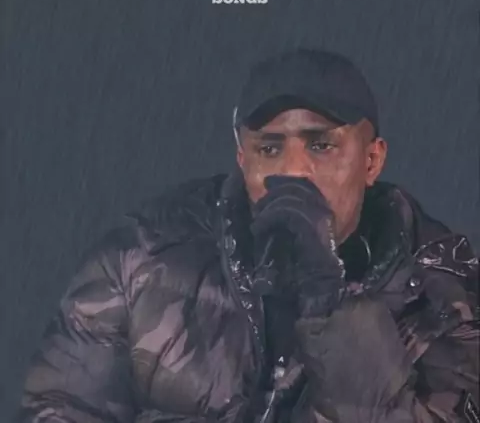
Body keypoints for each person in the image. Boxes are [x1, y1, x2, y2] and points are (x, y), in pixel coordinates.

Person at [15, 48, 479, 423]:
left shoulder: (443, 296)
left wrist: (331, 305)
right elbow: (59, 409)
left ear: (372, 161)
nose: (293, 171)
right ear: (243, 160)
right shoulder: (142, 256)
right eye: (269, 148)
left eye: (321, 145)